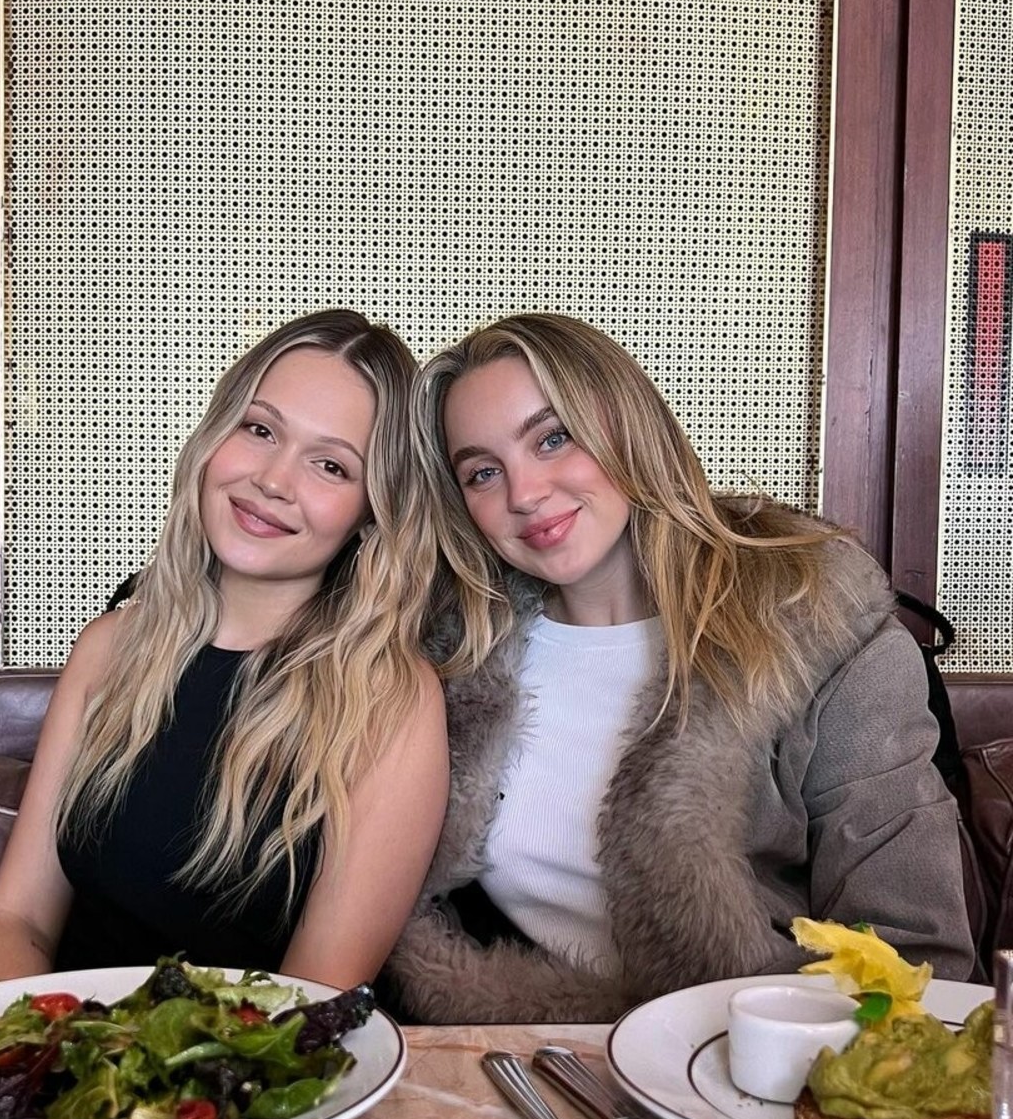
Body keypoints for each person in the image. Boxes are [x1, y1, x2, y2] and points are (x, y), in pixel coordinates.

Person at [383, 312, 975, 1023]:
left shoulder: (815, 624)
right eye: (483, 472)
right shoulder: (452, 657)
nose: (524, 493)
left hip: (765, 1055)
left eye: (553, 438)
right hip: (523, 1047)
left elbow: (918, 958)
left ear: (627, 426)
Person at [0, 310, 448, 990]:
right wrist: (40, 1044)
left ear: (372, 513)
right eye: (260, 430)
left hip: (248, 1052)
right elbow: (17, 920)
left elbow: (317, 996)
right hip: (59, 1034)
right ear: (214, 437)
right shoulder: (110, 648)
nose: (274, 480)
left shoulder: (391, 698)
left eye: (331, 466)